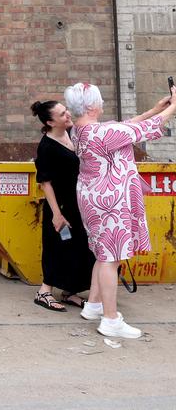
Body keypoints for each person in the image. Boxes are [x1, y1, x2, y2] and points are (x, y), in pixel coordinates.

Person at [65, 81, 176, 339]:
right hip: (110, 203)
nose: (103, 103)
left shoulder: (81, 131)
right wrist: (172, 109)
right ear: (92, 106)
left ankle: (94, 305)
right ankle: (110, 319)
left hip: (93, 198)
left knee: (102, 253)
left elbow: (126, 127)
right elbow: (141, 130)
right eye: (100, 100)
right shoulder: (101, 133)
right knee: (110, 258)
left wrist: (154, 109)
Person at [30, 99, 95, 313]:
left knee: (78, 247)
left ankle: (70, 291)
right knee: (56, 246)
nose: (68, 115)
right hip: (60, 206)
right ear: (50, 122)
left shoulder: (71, 133)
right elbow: (45, 182)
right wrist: (56, 214)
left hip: (78, 203)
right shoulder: (47, 147)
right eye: (62, 115)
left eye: (66, 111)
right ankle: (44, 291)